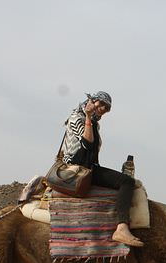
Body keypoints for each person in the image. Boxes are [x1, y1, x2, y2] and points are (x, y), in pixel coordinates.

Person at [61, 91, 143, 247]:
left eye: (106, 108)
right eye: (100, 104)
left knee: (123, 179)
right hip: (76, 169)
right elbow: (87, 143)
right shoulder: (77, 118)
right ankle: (121, 228)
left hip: (87, 167)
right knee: (126, 182)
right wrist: (87, 117)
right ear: (92, 101)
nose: (102, 109)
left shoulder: (93, 123)